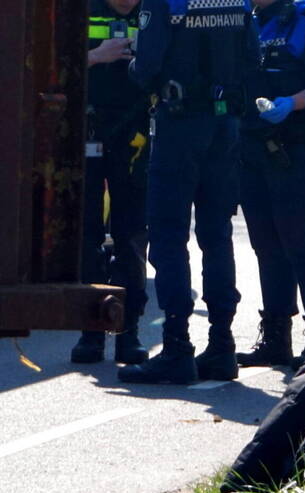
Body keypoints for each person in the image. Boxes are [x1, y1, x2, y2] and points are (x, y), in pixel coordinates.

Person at [120, 0, 259, 384]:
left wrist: (136, 67)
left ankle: (177, 346)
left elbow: (146, 68)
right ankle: (222, 344)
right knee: (217, 236)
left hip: (180, 125)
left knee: (168, 234)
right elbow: (254, 58)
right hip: (225, 125)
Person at [236, 0, 305, 369]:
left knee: (304, 246)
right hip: (255, 150)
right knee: (267, 246)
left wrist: (294, 102)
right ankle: (275, 338)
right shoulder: (243, 21)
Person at [72, 0, 150, 366]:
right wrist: (95, 56)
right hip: (88, 130)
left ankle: (127, 330)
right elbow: (52, 66)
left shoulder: (155, 11)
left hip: (134, 136)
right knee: (86, 231)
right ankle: (90, 331)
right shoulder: (83, 10)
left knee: (131, 235)